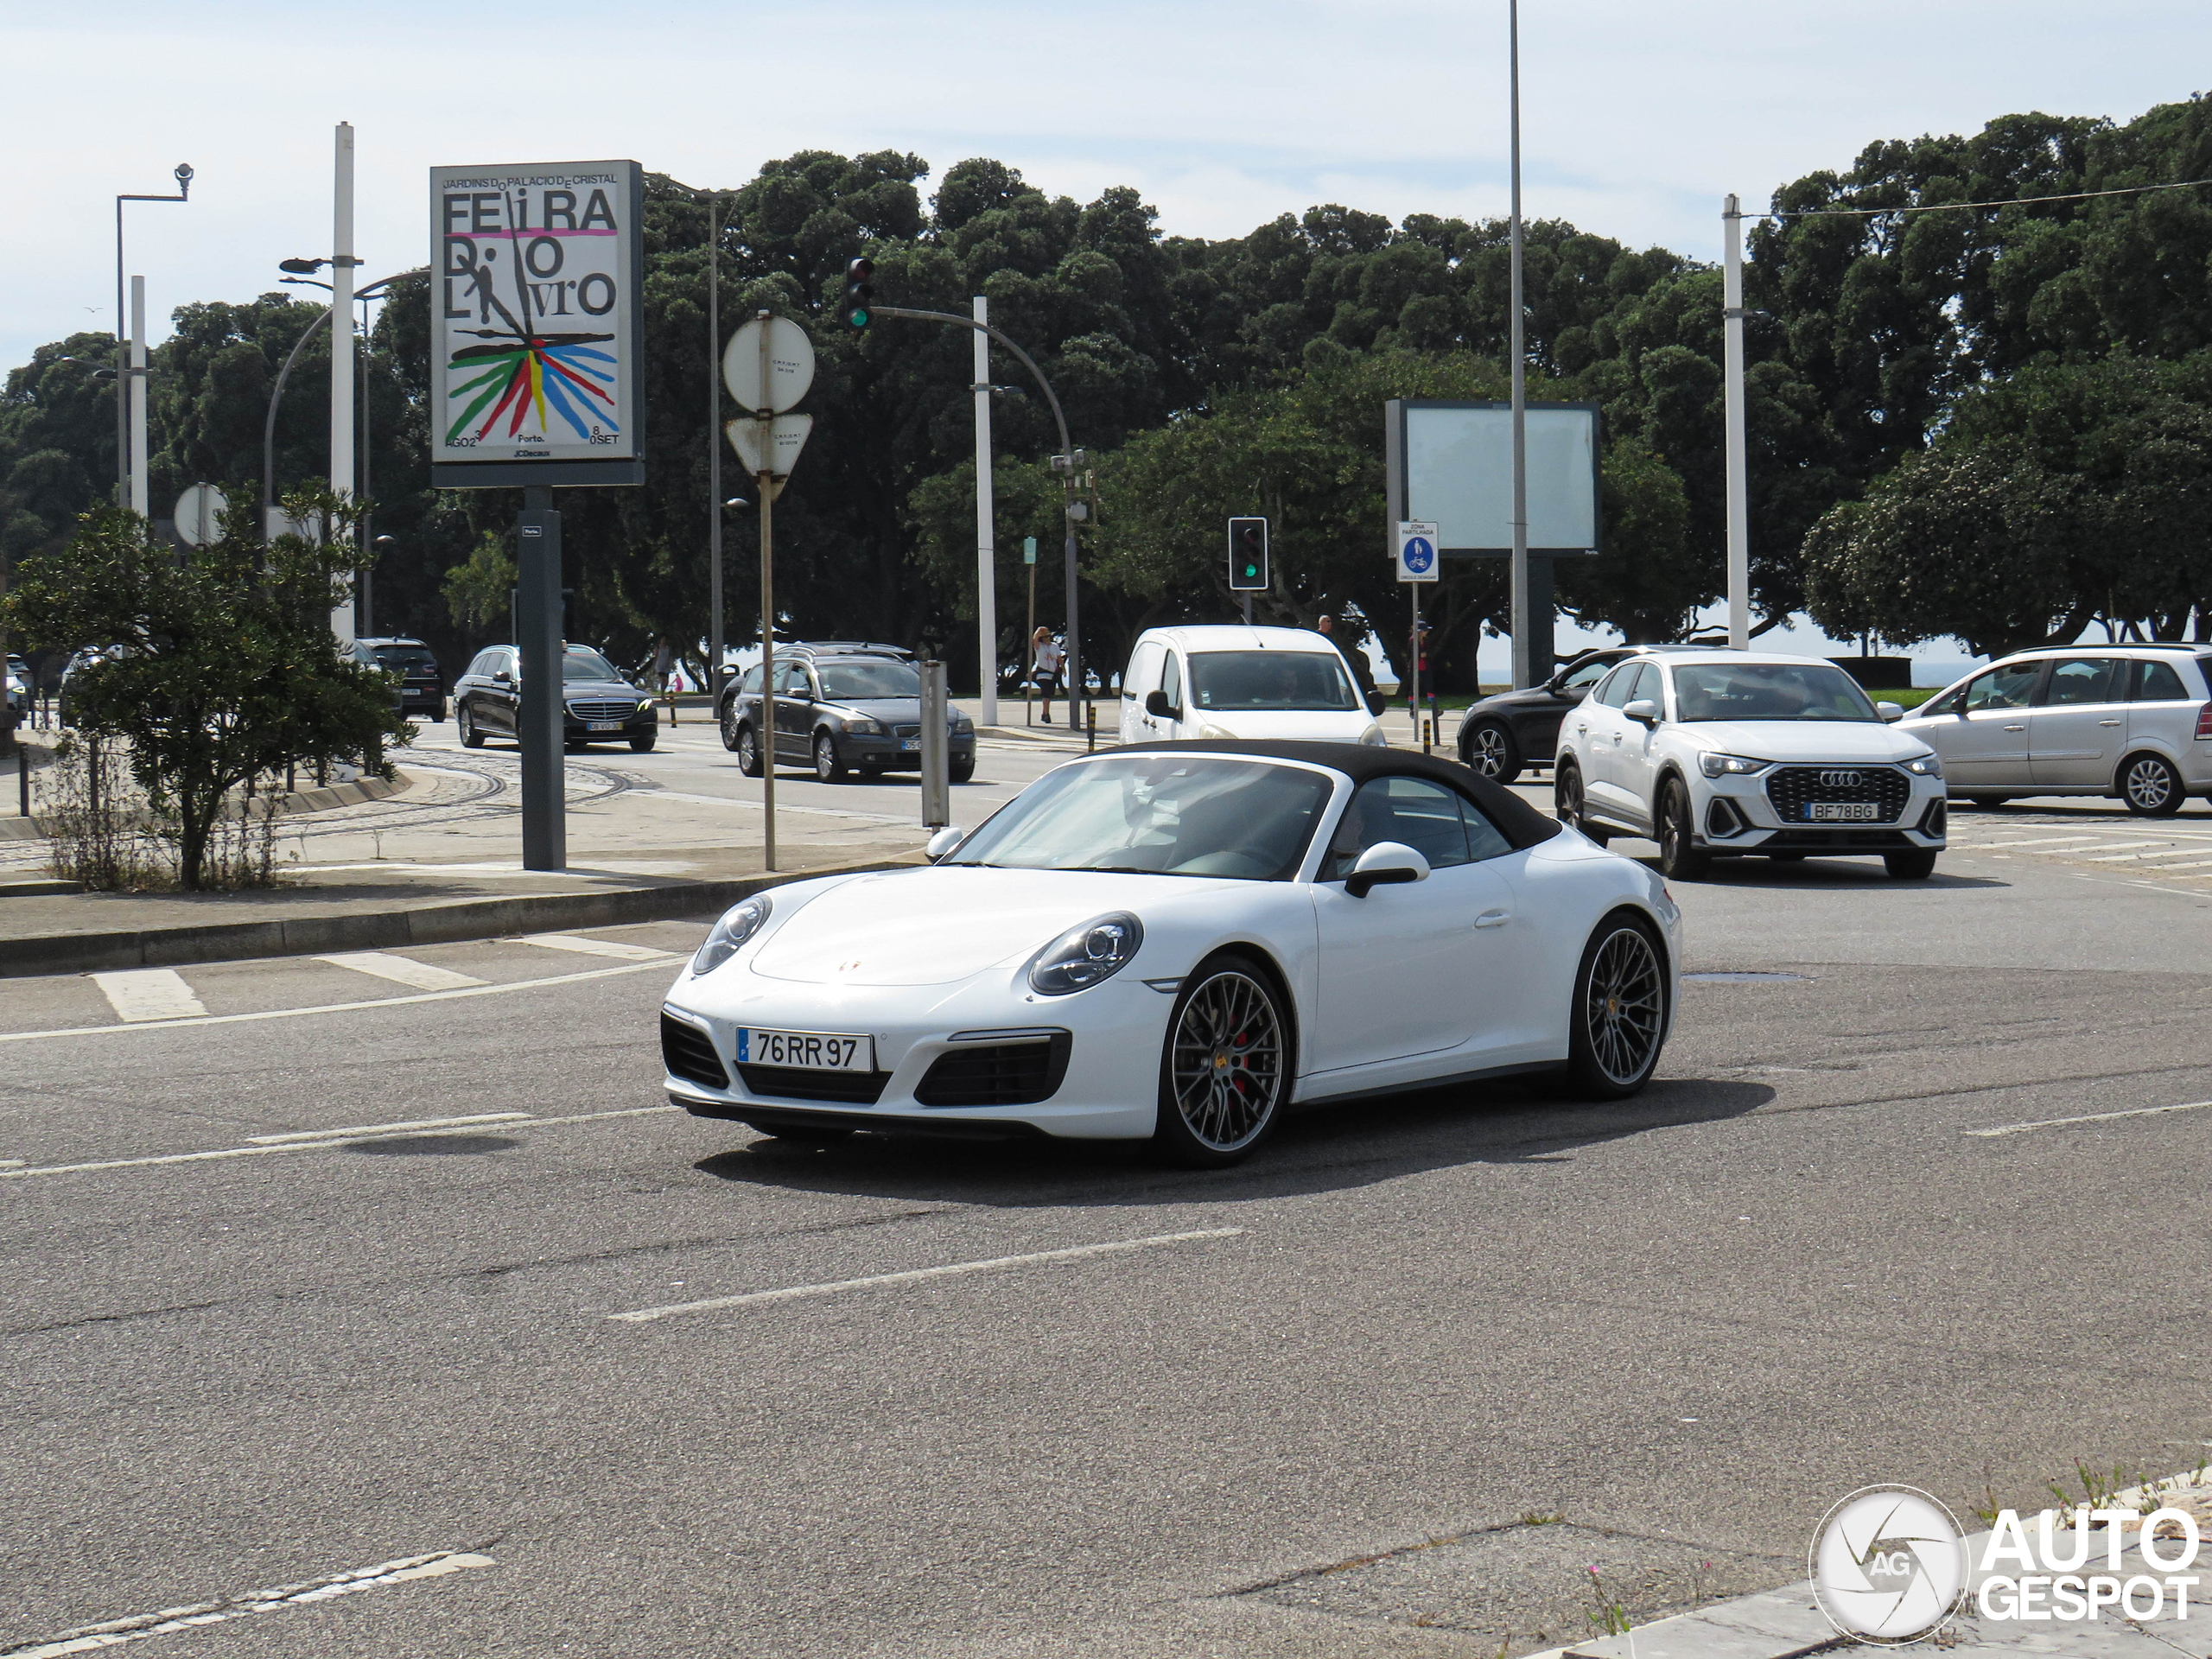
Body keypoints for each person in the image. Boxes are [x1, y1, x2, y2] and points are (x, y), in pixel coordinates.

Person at [1316, 613, 1376, 705]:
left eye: (1331, 621)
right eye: (1328, 621)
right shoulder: (1317, 636)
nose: (1330, 623)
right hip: (1320, 666)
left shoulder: (1331, 636)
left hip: (1330, 666)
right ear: (1322, 623)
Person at [1030, 626, 1065, 722]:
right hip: (1042, 672)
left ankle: (1044, 713)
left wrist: (1063, 669)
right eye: (1044, 637)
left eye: (1048, 636)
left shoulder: (1055, 646)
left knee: (1049, 694)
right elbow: (1034, 639)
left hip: (1051, 673)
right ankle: (1046, 714)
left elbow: (1059, 658)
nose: (1046, 638)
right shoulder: (1039, 646)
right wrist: (1039, 630)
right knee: (1046, 694)